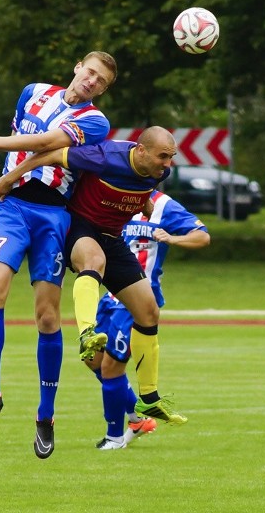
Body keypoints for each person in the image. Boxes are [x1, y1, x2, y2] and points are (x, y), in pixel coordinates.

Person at [0, 51, 118, 460]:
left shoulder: (96, 121)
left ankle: (46, 414)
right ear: (77, 66)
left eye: (102, 82)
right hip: (12, 207)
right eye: (90, 72)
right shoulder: (33, 92)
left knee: (47, 316)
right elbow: (28, 142)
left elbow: (46, 145)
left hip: (53, 216)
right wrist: (13, 176)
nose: (92, 82)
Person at [0, 127, 189, 449]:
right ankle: (86, 334)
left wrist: (146, 206)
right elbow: (51, 154)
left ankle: (149, 397)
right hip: (78, 229)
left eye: (171, 156)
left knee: (148, 311)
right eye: (163, 156)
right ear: (140, 150)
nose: (168, 163)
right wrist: (12, 177)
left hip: (112, 237)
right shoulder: (105, 156)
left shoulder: (154, 172)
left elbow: (139, 195)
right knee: (92, 260)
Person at [88, 189, 210, 449]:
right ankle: (137, 419)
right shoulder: (114, 197)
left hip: (136, 303)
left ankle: (114, 436)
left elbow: (202, 236)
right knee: (92, 359)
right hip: (110, 297)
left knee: (112, 368)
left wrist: (173, 239)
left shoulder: (164, 205)